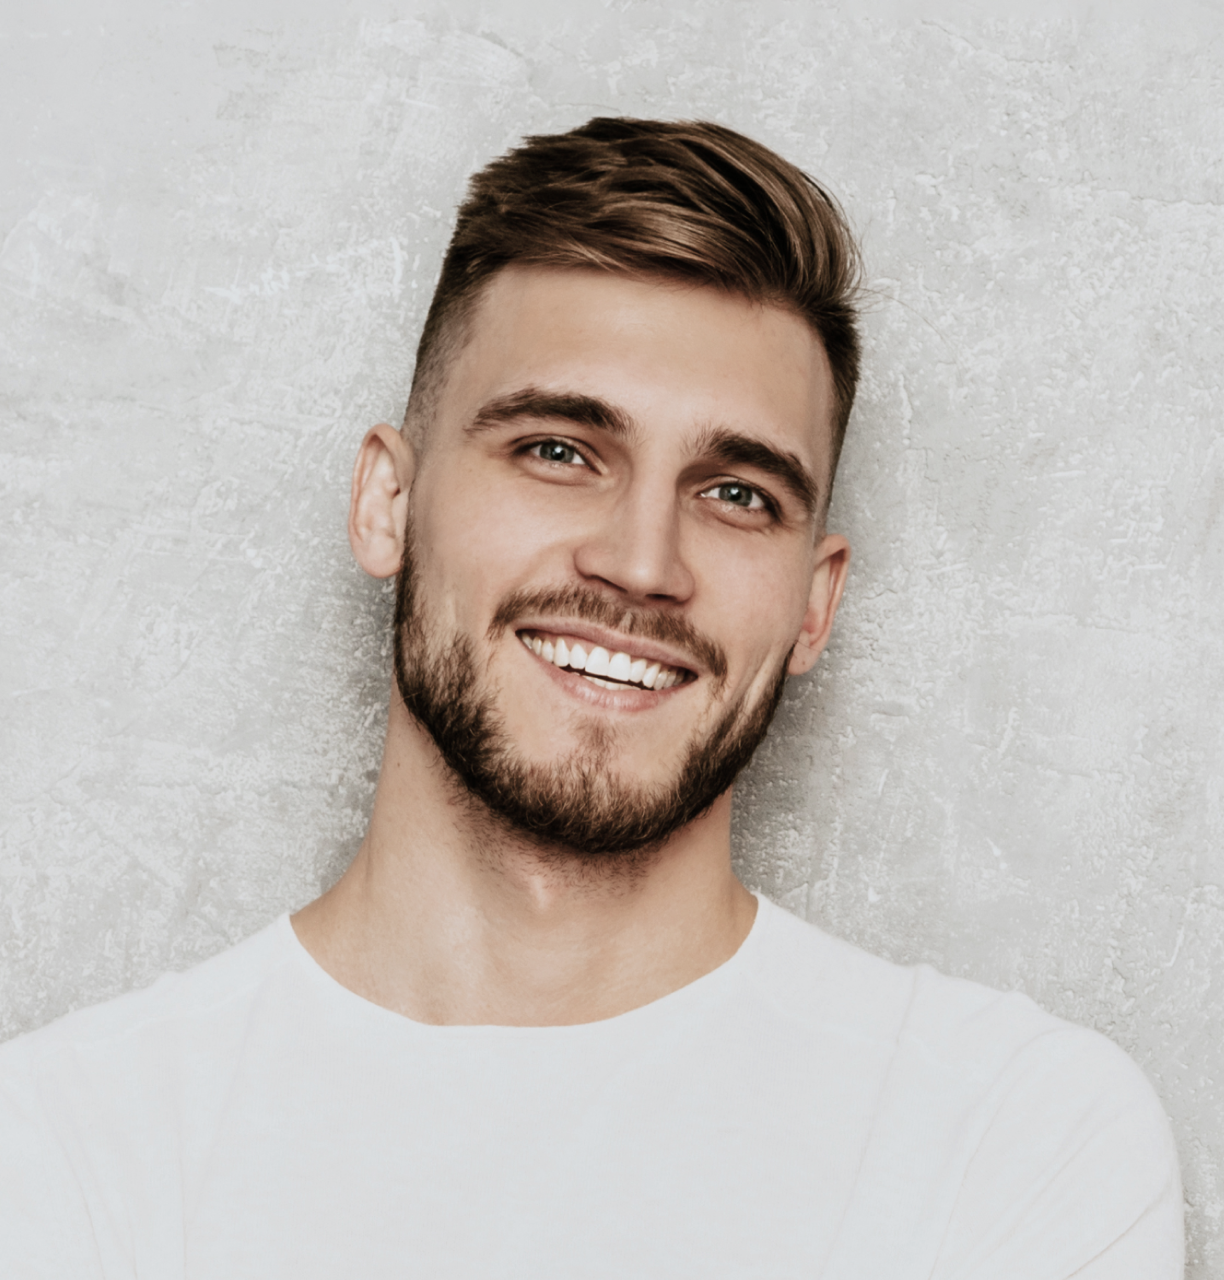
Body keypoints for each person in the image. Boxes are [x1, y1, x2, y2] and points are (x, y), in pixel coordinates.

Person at [0, 117, 1182, 1278]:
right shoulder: (64, 1155)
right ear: (387, 505)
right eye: (559, 450)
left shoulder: (1011, 1139)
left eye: (737, 493)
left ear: (814, 605)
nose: (640, 562)